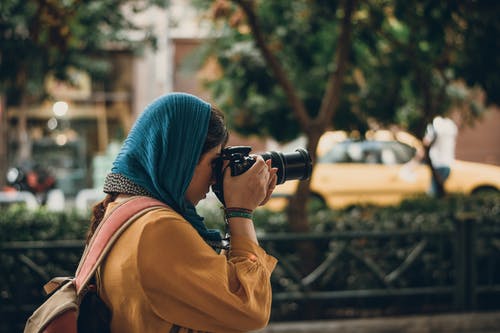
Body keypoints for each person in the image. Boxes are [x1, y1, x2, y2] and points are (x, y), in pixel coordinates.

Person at [88, 92, 278, 333]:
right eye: (213, 162)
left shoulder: (122, 211)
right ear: (182, 159)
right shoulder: (157, 229)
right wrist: (240, 213)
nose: (214, 178)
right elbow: (251, 309)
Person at [422, 115, 458, 197]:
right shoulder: (451, 125)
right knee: (440, 192)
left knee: (433, 193)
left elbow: (426, 142)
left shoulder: (434, 124)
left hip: (436, 163)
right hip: (448, 164)